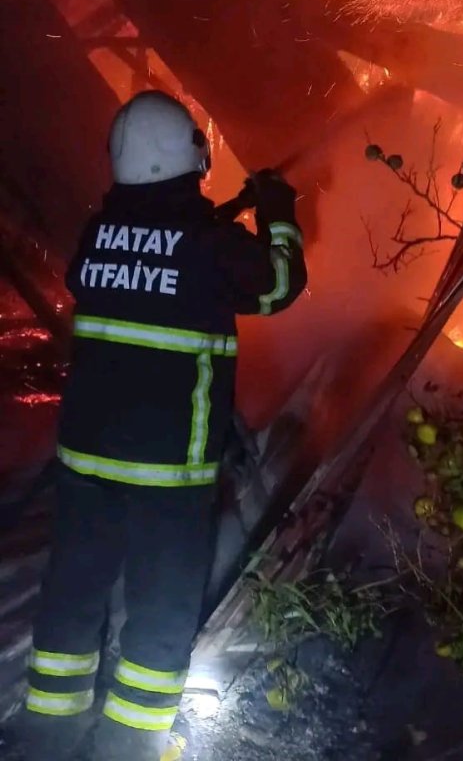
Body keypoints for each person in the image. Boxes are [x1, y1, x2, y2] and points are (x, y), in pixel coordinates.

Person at [19, 90, 307, 761]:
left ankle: (47, 735)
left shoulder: (97, 234)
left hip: (87, 461)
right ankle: (130, 743)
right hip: (167, 471)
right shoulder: (211, 246)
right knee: (160, 609)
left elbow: (155, 255)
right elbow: (279, 284)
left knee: (72, 593)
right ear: (190, 156)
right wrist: (279, 215)